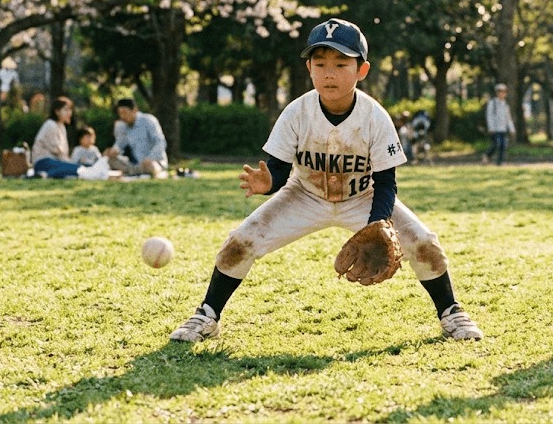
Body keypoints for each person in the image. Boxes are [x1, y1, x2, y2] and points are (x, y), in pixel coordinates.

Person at [169, 18, 483, 343]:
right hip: (304, 194)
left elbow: (386, 183)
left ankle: (452, 313)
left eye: (340, 63)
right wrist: (269, 183)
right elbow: (278, 169)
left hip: (364, 197)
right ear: (308, 68)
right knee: (240, 243)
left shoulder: (375, 117)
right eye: (320, 64)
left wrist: (376, 225)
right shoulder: (296, 113)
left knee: (424, 245)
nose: (329, 73)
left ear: (361, 70)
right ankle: (207, 317)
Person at [32, 97, 110, 180]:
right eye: (66, 110)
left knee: (80, 166)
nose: (69, 113)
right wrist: (71, 163)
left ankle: (92, 171)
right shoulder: (50, 124)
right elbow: (58, 151)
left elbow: (63, 154)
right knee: (74, 168)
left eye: (70, 110)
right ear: (57, 112)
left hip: (56, 162)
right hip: (43, 162)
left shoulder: (61, 127)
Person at [104, 98, 168, 178]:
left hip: (153, 161)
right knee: (109, 160)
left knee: (150, 165)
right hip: (135, 164)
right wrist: (113, 151)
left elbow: (160, 142)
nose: (122, 116)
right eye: (120, 114)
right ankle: (135, 173)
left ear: (134, 110)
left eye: (124, 113)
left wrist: (150, 158)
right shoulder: (121, 126)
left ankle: (156, 172)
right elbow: (120, 145)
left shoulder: (149, 120)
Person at [481, 83, 515, 165]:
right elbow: (489, 116)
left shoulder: (505, 105)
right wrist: (491, 127)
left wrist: (511, 128)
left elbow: (508, 118)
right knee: (497, 144)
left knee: (503, 145)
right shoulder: (492, 103)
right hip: (495, 129)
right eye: (501, 92)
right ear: (497, 93)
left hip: (503, 128)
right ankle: (487, 155)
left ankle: (500, 162)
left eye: (504, 92)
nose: (502, 94)